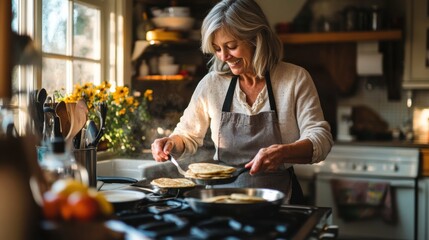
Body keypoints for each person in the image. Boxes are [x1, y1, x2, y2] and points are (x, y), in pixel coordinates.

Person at [151, 0, 333, 204]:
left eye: (231, 46)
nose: (224, 56)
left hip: (280, 202)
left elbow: (320, 138)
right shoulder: (212, 84)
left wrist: (283, 152)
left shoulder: (294, 79)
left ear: (256, 38)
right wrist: (170, 143)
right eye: (217, 48)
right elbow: (187, 135)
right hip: (221, 200)